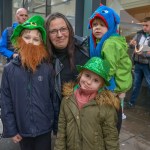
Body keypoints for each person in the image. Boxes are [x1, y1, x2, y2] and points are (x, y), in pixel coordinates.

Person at [1, 15, 59, 150]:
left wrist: (56, 126)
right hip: (22, 129)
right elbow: (5, 101)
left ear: (41, 44)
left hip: (44, 129)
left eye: (36, 39)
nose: (30, 42)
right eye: (27, 37)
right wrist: (11, 129)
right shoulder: (9, 70)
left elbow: (54, 99)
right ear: (20, 40)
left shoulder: (47, 68)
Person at [54, 57, 120, 150]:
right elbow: (61, 131)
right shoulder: (67, 101)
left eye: (96, 80)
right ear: (80, 75)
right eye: (87, 75)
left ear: (101, 85)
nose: (89, 82)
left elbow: (111, 137)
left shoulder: (105, 106)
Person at [82, 4, 132, 120]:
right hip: (118, 82)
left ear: (110, 27)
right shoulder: (102, 41)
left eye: (102, 24)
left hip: (116, 84)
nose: (97, 28)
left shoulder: (110, 44)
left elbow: (109, 68)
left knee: (110, 113)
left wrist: (101, 87)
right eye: (94, 24)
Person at [45, 12, 89, 106]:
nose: (59, 35)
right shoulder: (43, 59)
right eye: (53, 31)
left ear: (69, 30)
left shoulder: (85, 51)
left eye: (63, 29)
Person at [128, 17, 150, 108]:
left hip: (147, 65)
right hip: (137, 64)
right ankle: (131, 103)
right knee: (136, 85)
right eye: (143, 25)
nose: (144, 27)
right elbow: (131, 46)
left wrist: (144, 54)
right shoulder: (139, 34)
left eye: (147, 25)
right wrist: (131, 44)